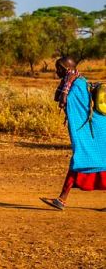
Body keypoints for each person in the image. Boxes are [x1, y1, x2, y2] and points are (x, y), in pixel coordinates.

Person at [40, 57, 106, 211]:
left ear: (65, 68)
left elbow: (65, 101)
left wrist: (65, 89)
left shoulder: (77, 85)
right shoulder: (74, 82)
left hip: (94, 131)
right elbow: (59, 97)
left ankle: (61, 200)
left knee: (82, 160)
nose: (56, 71)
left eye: (58, 68)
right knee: (86, 161)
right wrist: (64, 85)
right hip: (92, 131)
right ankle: (61, 199)